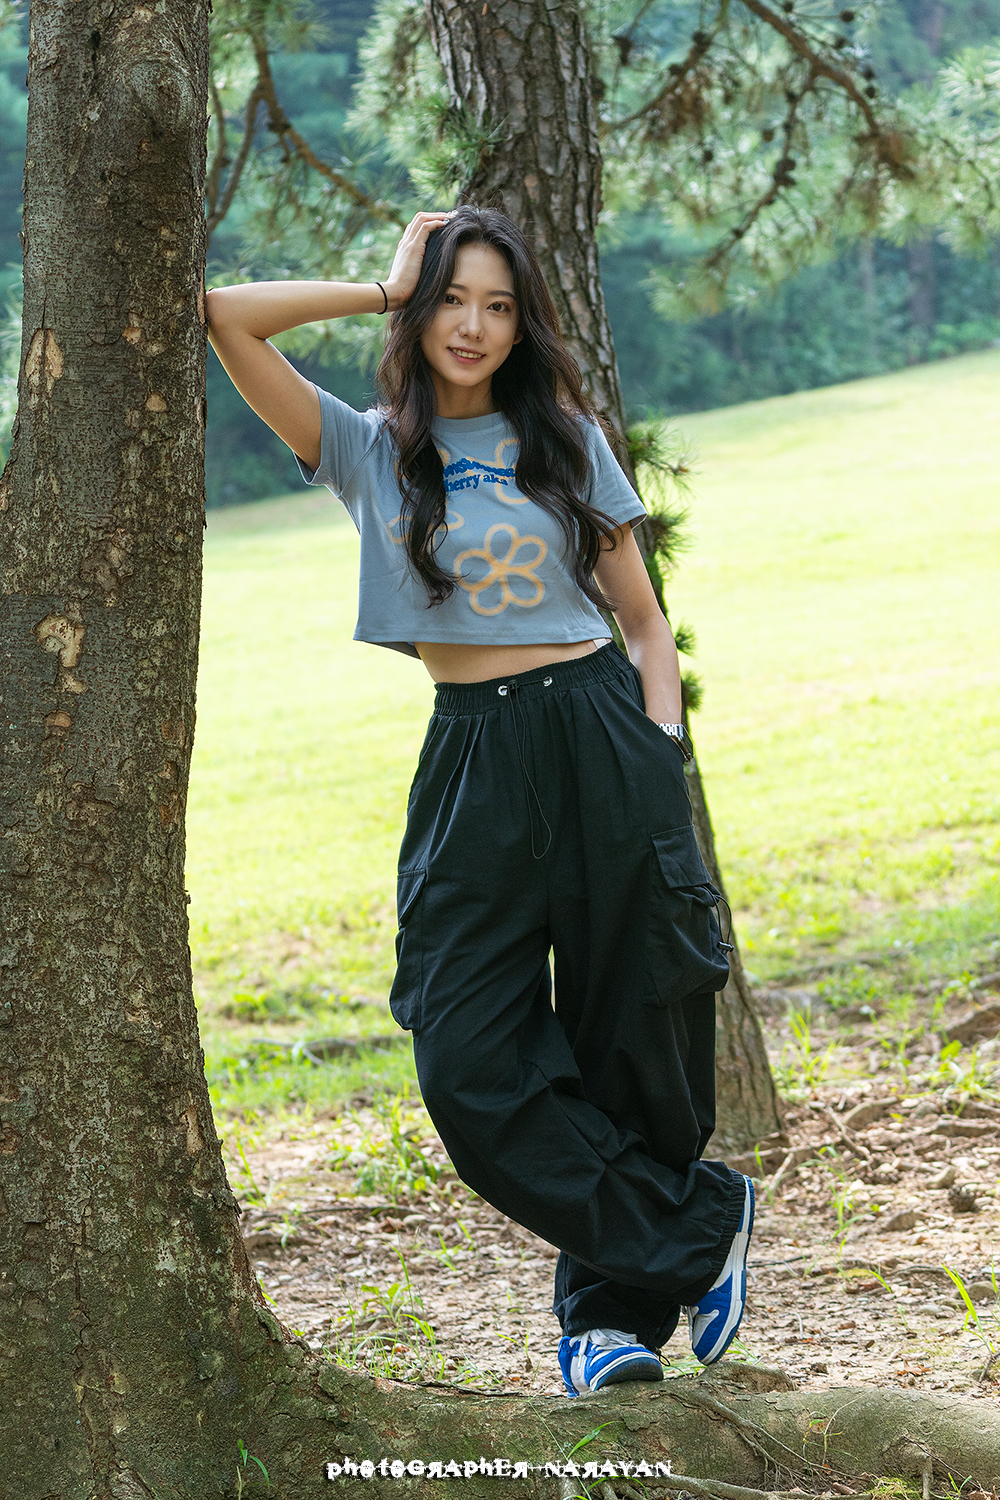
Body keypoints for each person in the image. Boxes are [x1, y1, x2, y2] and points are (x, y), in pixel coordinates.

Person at [206, 205, 754, 1397]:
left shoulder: (562, 439)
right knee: (464, 1054)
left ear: (523, 326)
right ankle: (699, 1228)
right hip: (471, 756)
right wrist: (382, 286)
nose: (473, 326)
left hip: (600, 732)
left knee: (632, 1034)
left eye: (499, 306)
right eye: (452, 299)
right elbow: (226, 319)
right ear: (421, 309)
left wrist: (659, 751)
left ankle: (605, 1326)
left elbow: (643, 622)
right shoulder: (365, 448)